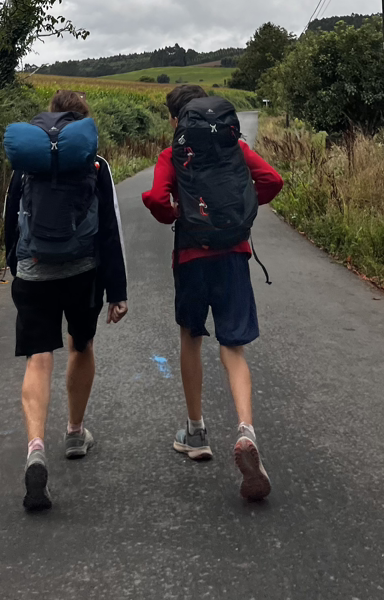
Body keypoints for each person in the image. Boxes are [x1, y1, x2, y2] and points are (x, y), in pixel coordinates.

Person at [141, 83, 282, 501]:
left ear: (176, 120)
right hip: (233, 255)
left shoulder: (172, 155)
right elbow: (272, 180)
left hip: (191, 257)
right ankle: (245, 430)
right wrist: (243, 209)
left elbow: (155, 198)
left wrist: (176, 212)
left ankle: (196, 431)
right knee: (233, 347)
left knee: (191, 337)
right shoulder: (235, 148)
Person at [4, 89, 128, 511]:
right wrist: (118, 291)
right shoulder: (95, 163)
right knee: (82, 345)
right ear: (83, 121)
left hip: (33, 269)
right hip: (82, 271)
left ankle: (35, 448)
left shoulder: (29, 161)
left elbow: (10, 220)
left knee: (39, 358)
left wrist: (16, 267)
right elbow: (110, 227)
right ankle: (75, 432)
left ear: (50, 117)